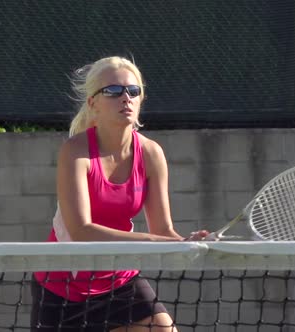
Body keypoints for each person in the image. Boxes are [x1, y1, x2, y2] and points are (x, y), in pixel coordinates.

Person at [31, 56, 210, 332]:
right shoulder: (75, 152)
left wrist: (184, 242)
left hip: (119, 280)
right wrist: (156, 241)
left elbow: (163, 229)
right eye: (113, 91)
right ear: (93, 104)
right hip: (62, 287)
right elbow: (82, 232)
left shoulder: (151, 154)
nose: (125, 97)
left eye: (133, 91)